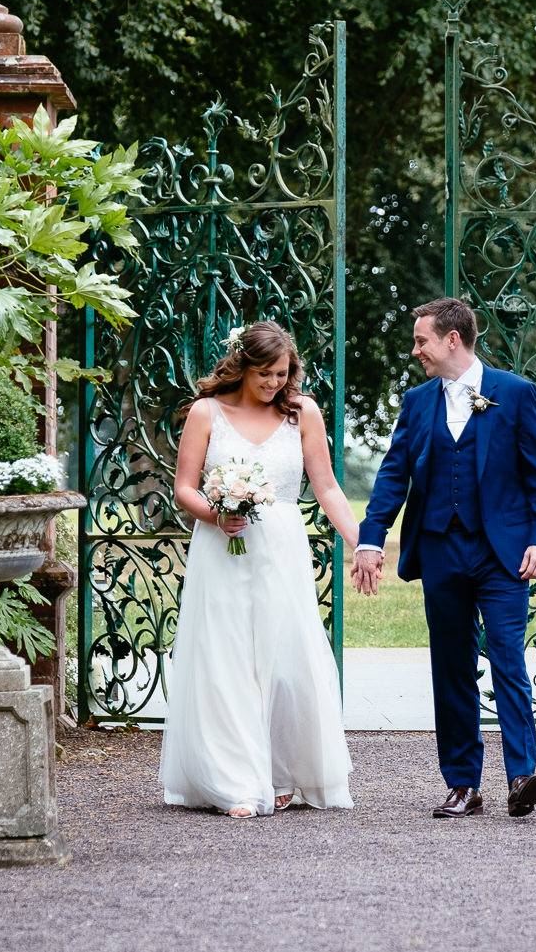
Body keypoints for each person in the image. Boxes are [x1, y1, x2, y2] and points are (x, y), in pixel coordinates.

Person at [353, 297, 536, 818]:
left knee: (508, 659)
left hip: (502, 553)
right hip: (440, 547)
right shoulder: (417, 400)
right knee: (451, 667)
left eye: (421, 340)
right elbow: (394, 474)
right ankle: (463, 784)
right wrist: (371, 538)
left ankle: (521, 777)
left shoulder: (513, 394)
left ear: (452, 339)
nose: (415, 350)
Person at [161, 321, 359, 817]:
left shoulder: (302, 413)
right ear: (242, 365)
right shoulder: (207, 412)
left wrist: (362, 543)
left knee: (286, 662)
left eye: (282, 374)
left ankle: (283, 771)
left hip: (281, 553)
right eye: (265, 373)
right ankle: (236, 781)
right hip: (221, 551)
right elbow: (185, 486)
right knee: (225, 663)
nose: (274, 383)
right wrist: (215, 513)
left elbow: (328, 487)